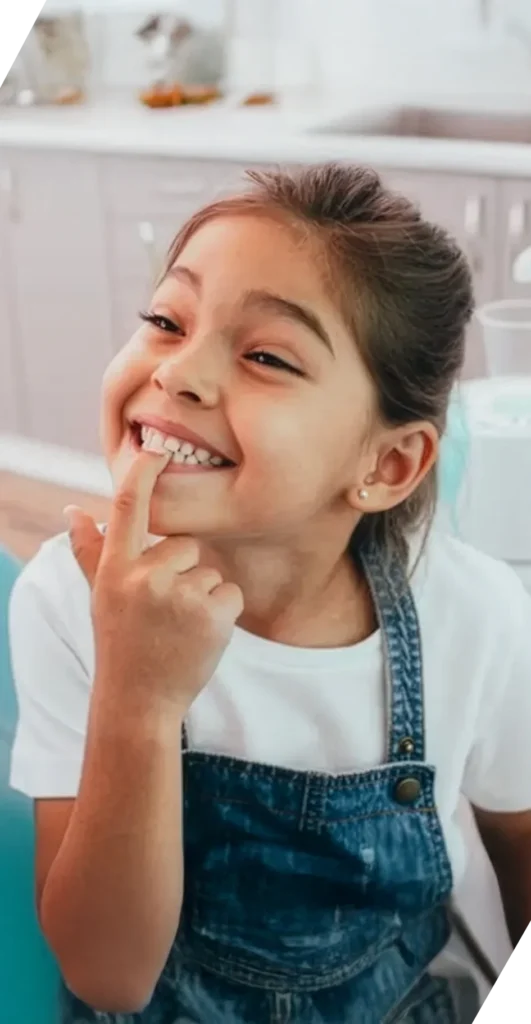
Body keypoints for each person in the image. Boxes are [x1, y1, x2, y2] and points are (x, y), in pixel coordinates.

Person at [8, 163, 531, 1023]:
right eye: (165, 319)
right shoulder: (69, 602)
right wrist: (137, 697)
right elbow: (107, 975)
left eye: (264, 355)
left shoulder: (475, 622)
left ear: (386, 465)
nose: (177, 372)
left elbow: (517, 843)